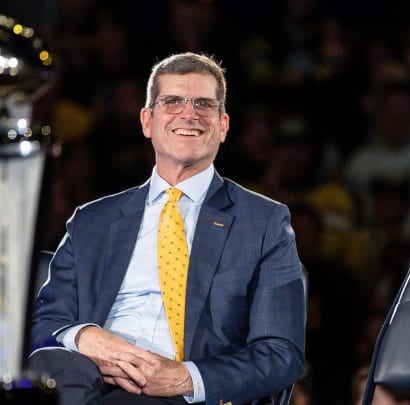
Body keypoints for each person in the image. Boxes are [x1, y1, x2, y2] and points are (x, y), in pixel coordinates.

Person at [30, 52, 306, 404]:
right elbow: (44, 321)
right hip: (84, 374)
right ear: (147, 121)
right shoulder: (92, 220)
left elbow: (281, 354)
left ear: (223, 126)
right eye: (172, 101)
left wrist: (186, 378)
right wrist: (84, 337)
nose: (188, 114)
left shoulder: (263, 222)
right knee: (51, 364)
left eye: (204, 104)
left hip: (178, 390)